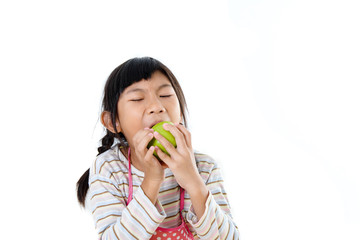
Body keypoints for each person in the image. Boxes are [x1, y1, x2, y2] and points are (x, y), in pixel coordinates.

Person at [76, 57, 240, 239]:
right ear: (113, 122)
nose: (156, 107)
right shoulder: (109, 169)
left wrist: (193, 182)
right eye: (137, 98)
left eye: (165, 96)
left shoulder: (204, 167)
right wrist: (152, 181)